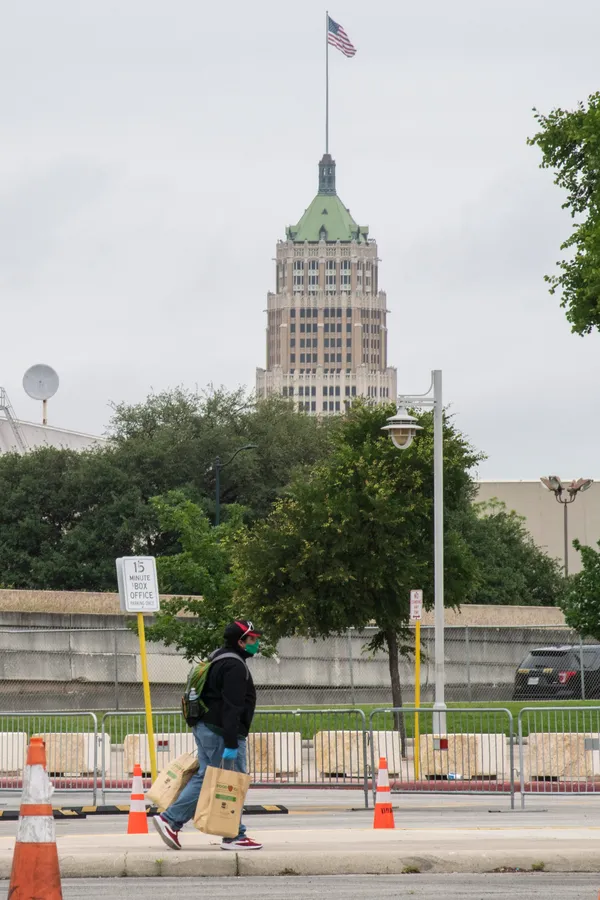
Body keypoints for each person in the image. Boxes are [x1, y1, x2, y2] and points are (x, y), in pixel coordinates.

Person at [153, 619, 263, 851]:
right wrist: (232, 742)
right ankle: (173, 821)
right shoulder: (234, 666)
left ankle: (230, 833)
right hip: (222, 733)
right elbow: (232, 707)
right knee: (228, 782)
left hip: (207, 728)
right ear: (241, 642)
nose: (256, 643)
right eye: (252, 639)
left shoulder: (217, 658)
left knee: (214, 780)